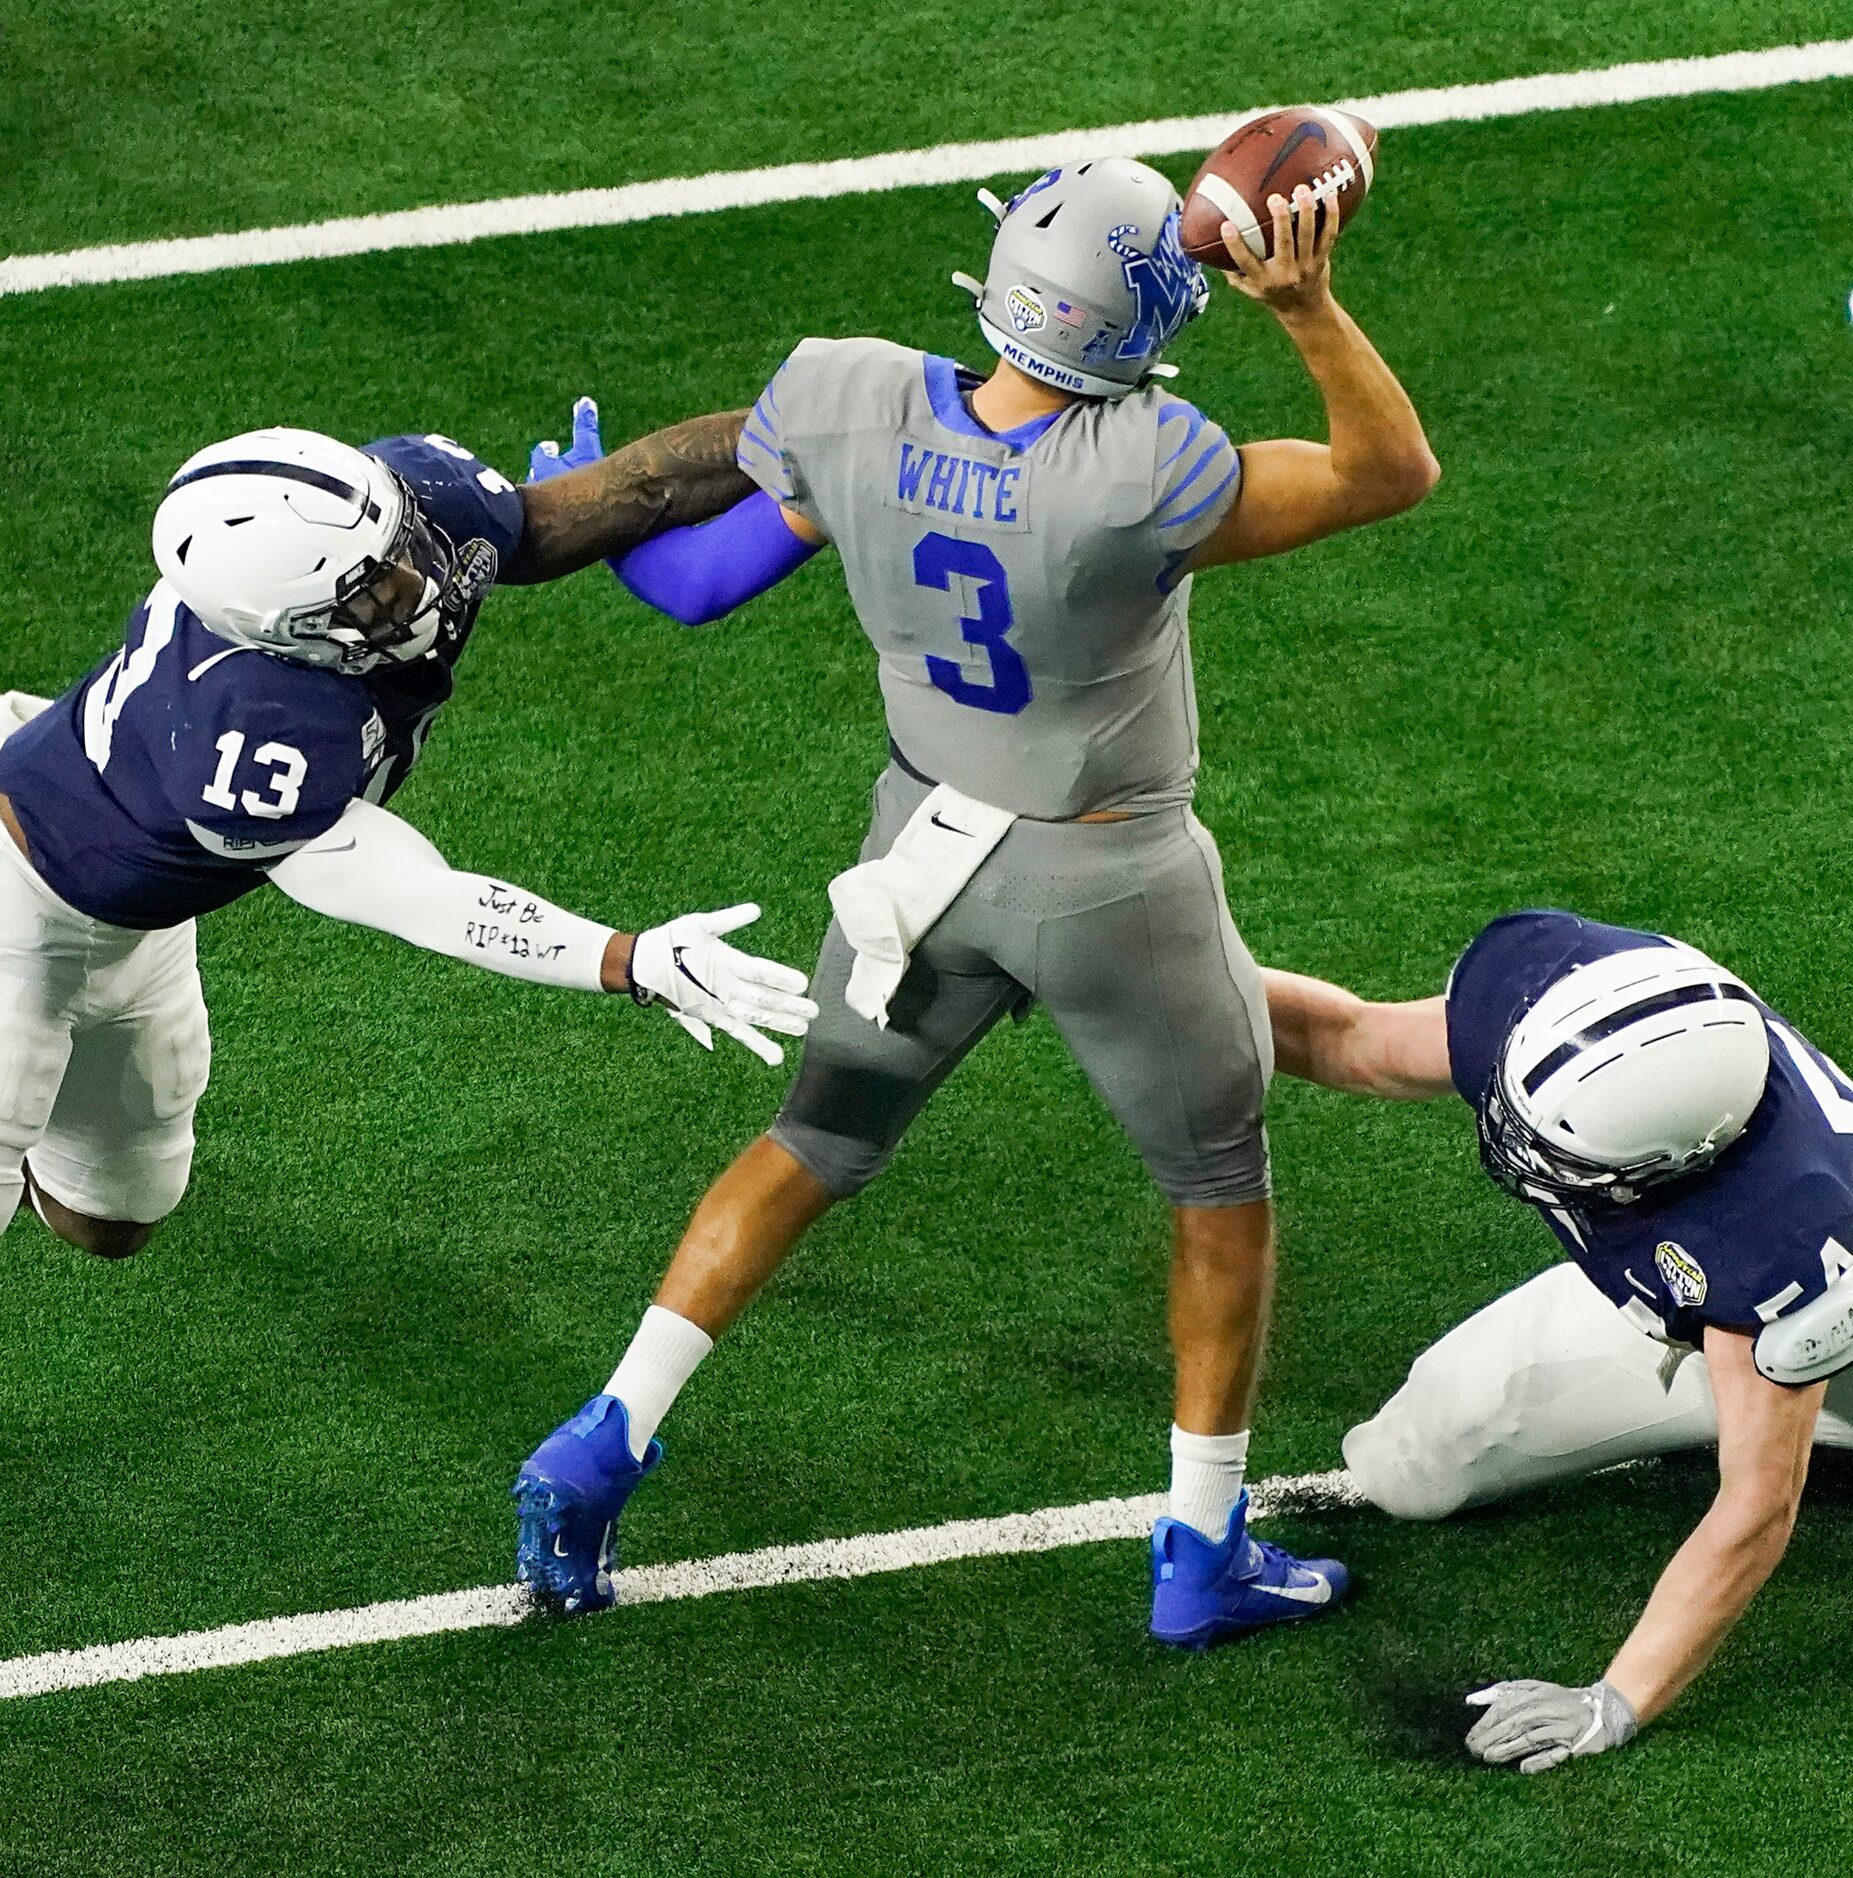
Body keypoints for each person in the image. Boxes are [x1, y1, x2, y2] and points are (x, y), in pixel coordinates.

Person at [512, 155, 1439, 1638]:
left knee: (809, 1141)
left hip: (915, 857)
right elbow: (1391, 470)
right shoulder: (1146, 466)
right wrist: (1312, 308)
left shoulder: (852, 399)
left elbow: (691, 586)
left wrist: (611, 505)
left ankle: (606, 1432)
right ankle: (1202, 1552)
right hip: (1110, 875)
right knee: (1218, 1194)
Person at [0, 417, 818, 1262]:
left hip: (133, 906)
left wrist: (815, 416)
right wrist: (631, 960)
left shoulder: (411, 501)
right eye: (372, 592)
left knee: (113, 1222)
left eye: (403, 545)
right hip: (19, 910)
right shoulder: (251, 726)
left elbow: (639, 490)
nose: (418, 582)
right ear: (286, 631)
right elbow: (425, 898)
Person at [1263, 908, 1853, 1770]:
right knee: (1408, 1467)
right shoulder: (1569, 998)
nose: (1514, 1141)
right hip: (1698, 1295)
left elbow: (1757, 1507)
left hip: (1809, 1341)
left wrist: (1615, 1701)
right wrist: (1164, 989)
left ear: (1676, 1162)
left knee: (1766, 1444)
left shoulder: (1783, 1240)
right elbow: (1356, 1037)